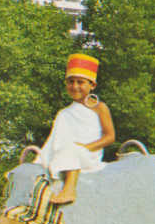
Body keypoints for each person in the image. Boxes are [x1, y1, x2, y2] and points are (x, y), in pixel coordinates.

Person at [39, 53, 115, 205]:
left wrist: (86, 147)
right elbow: (55, 140)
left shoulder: (100, 108)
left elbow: (110, 136)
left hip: (88, 155)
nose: (74, 86)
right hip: (66, 152)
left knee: (72, 149)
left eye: (80, 82)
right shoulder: (64, 113)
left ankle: (68, 190)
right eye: (70, 82)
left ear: (92, 85)